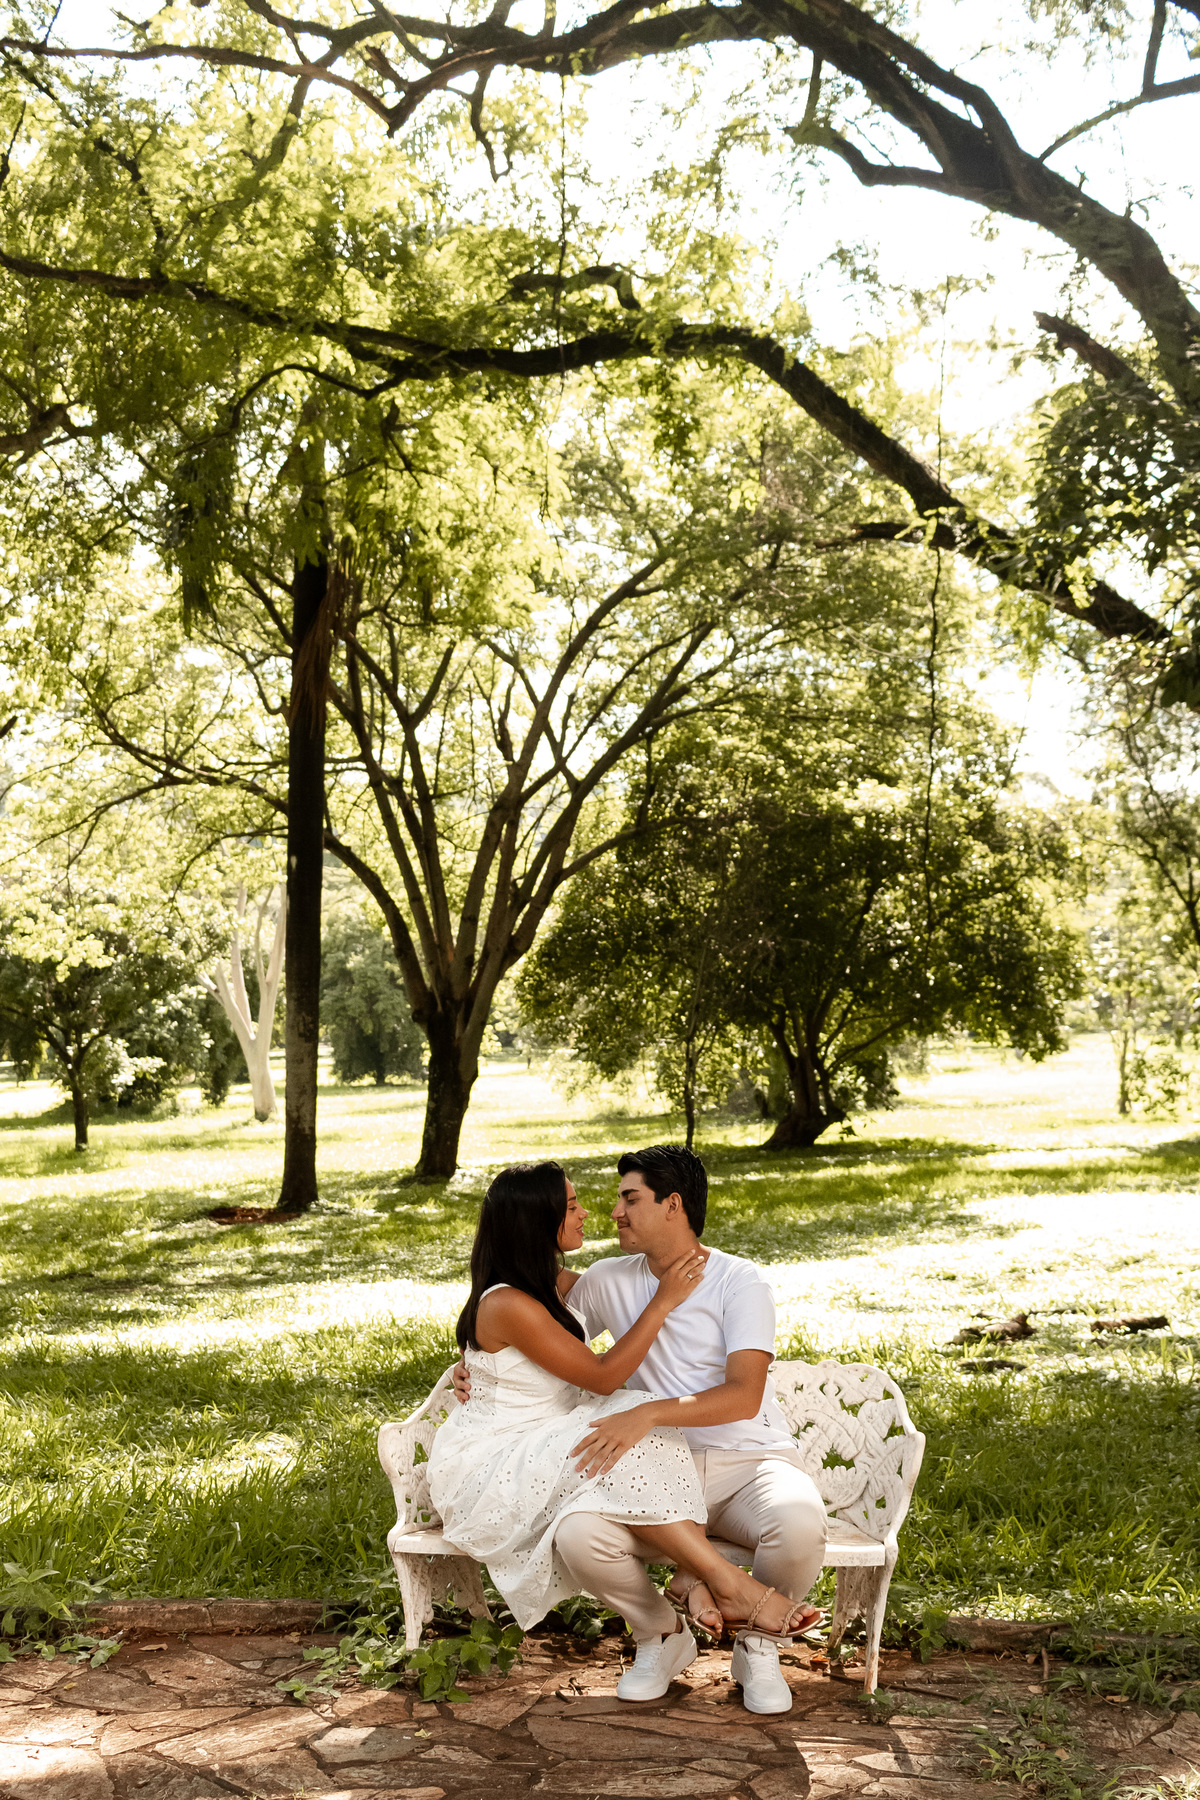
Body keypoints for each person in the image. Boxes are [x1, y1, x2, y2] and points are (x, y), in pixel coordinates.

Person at [452, 1144, 827, 1715]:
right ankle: (662, 1635)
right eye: (604, 1201)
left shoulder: (738, 1281)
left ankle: (756, 1648)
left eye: (629, 1198)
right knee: (578, 1537)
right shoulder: (604, 1280)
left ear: (671, 1204)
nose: (613, 1213)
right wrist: (467, 1368)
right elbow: (518, 1316)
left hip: (744, 1462)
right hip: (643, 1465)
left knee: (799, 1523)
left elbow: (744, 1394)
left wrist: (647, 1412)